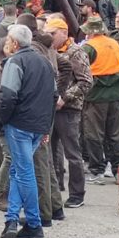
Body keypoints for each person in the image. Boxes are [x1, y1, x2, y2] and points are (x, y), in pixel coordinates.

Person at [0, 25, 56, 238]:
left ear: (14, 42)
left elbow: (7, 96)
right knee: (18, 171)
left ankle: (33, 223)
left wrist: (3, 121)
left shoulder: (15, 61)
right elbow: (53, 95)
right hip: (37, 125)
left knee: (24, 173)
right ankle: (11, 219)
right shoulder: (45, 61)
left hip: (20, 124)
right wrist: (46, 127)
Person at [45, 17, 92, 208]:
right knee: (49, 151)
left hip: (69, 109)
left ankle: (77, 194)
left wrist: (64, 98)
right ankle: (54, 190)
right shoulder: (51, 50)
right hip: (51, 108)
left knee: (72, 153)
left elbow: (86, 81)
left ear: (64, 33)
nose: (49, 37)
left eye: (52, 34)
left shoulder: (76, 52)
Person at [80, 16, 119, 183]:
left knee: (94, 133)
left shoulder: (88, 47)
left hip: (96, 95)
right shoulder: (114, 43)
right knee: (115, 134)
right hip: (116, 93)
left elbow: (80, 69)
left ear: (89, 32)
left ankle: (96, 169)